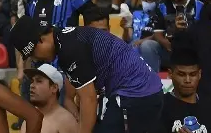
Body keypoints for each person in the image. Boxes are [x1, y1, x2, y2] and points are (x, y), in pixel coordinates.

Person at [11, 16, 164, 133]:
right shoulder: (65, 39)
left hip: (136, 94)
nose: (35, 58)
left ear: (41, 40)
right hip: (141, 92)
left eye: (32, 52)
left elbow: (88, 99)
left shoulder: (69, 49)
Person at [160, 44, 211, 133]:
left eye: (192, 74)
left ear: (199, 74)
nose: (187, 80)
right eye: (181, 74)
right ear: (170, 74)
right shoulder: (159, 107)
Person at [141, 0, 204, 72]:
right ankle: (153, 83)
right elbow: (158, 34)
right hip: (171, 50)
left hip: (195, 51)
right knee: (147, 46)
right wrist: (170, 45)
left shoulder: (200, 4)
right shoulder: (162, 5)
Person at [22, 64, 78, 133]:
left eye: (39, 81)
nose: (32, 85)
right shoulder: (29, 116)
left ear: (54, 88)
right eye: (32, 81)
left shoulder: (66, 121)